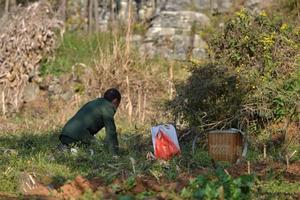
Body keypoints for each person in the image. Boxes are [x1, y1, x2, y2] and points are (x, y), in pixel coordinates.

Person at [58, 88, 121, 155]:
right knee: (97, 151)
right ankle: (74, 151)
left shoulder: (95, 102)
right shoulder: (108, 107)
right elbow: (111, 132)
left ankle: (66, 148)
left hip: (65, 134)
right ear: (115, 101)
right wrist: (114, 154)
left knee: (94, 144)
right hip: (77, 136)